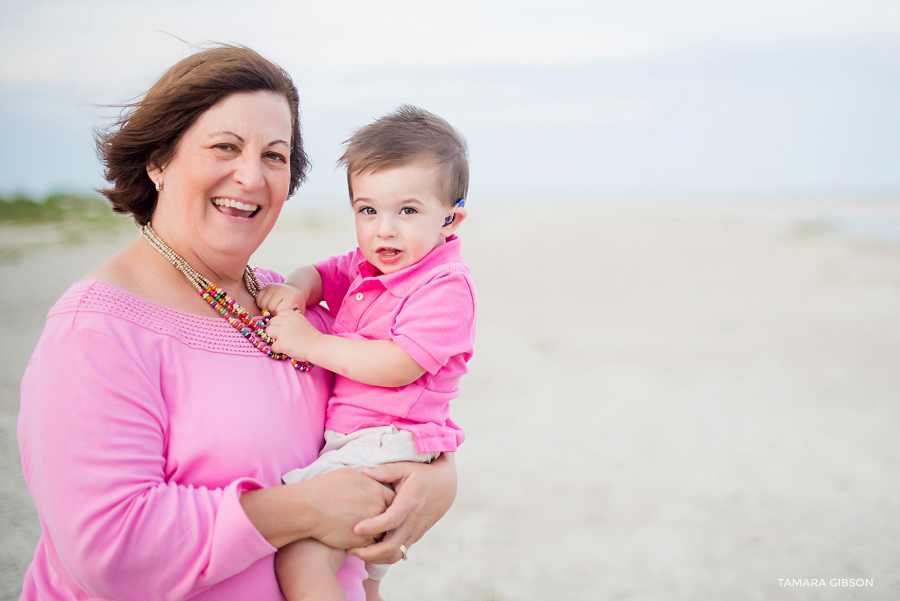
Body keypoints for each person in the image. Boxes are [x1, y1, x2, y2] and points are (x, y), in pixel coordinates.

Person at [15, 45, 457, 601]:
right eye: (225, 147)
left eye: (274, 156)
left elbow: (387, 413)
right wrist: (302, 509)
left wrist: (439, 480)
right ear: (158, 160)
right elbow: (109, 550)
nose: (250, 177)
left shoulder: (293, 309)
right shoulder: (96, 331)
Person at [258, 105, 475, 601]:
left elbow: (399, 364)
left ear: (450, 218)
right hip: (366, 441)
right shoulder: (368, 264)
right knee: (360, 579)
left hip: (387, 442)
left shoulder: (445, 285)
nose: (384, 230)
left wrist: (310, 343)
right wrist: (295, 289)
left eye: (408, 211)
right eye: (368, 210)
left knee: (302, 555)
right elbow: (321, 272)